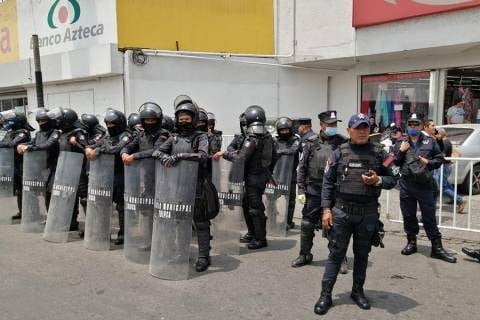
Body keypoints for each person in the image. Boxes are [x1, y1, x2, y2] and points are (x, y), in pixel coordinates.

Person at [314, 113, 398, 315]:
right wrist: (326, 209)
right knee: (336, 255)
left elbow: (395, 178)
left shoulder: (380, 153)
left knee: (362, 256)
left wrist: (378, 180)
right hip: (341, 213)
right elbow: (327, 183)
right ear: (349, 130)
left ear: (370, 130)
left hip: (367, 214)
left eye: (365, 128)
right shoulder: (338, 153)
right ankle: (325, 295)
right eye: (358, 128)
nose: (362, 131)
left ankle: (357, 291)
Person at [153, 100, 212, 272]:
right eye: (181, 118)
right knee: (179, 221)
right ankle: (181, 252)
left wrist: (179, 156)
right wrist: (164, 158)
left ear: (193, 119)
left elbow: (203, 156)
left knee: (200, 222)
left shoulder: (201, 137)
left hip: (197, 186)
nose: (183, 121)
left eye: (187, 118)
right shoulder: (174, 137)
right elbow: (157, 151)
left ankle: (203, 256)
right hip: (177, 187)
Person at [393, 113, 456, 263]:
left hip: (425, 185)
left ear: (421, 125)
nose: (413, 127)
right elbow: (395, 162)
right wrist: (401, 151)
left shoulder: (429, 141)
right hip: (407, 185)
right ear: (407, 125)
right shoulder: (401, 141)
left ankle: (437, 248)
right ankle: (411, 242)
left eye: (416, 124)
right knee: (408, 215)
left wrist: (427, 161)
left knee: (429, 217)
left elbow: (439, 159)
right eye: (411, 124)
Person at [214, 105, 277, 249]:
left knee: (255, 208)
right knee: (248, 205)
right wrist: (267, 171)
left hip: (254, 178)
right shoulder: (267, 136)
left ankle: (260, 239)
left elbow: (241, 158)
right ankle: (252, 233)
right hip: (258, 176)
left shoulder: (253, 138)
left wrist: (224, 154)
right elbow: (275, 157)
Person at [293, 111, 348, 271]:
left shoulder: (342, 143)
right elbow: (302, 168)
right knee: (307, 224)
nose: (332, 127)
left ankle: (339, 258)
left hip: (335, 191)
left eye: (334, 124)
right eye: (329, 124)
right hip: (314, 190)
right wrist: (301, 190)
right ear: (321, 125)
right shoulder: (310, 142)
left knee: (337, 226)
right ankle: (304, 254)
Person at [86, 109, 132, 245]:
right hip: (106, 174)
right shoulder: (107, 136)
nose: (110, 126)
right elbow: (94, 144)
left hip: (121, 174)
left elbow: (116, 149)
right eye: (108, 124)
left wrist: (98, 150)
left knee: (121, 205)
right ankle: (102, 232)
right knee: (103, 203)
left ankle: (123, 235)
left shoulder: (126, 135)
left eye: (113, 124)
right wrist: (89, 148)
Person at [49, 107, 88, 232]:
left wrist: (75, 142)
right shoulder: (62, 133)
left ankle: (91, 226)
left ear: (67, 121)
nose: (57, 122)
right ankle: (71, 223)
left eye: (59, 120)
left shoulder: (78, 132)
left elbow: (86, 148)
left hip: (79, 170)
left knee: (84, 198)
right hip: (66, 169)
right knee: (67, 196)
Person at [17, 108, 60, 211]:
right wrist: (22, 145)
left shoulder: (55, 132)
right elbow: (33, 142)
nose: (41, 123)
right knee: (45, 193)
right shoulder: (39, 134)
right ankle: (48, 216)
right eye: (39, 121)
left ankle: (53, 217)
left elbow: (47, 145)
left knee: (52, 193)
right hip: (42, 167)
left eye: (43, 121)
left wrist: (30, 148)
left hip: (54, 166)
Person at [0, 110, 33, 220]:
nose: (8, 121)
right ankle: (22, 212)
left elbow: (12, 144)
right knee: (18, 190)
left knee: (27, 189)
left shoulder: (23, 132)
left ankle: (32, 213)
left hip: (24, 164)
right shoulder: (10, 132)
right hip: (13, 164)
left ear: (17, 121)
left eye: (11, 119)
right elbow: (4, 142)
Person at [273, 117, 300, 230]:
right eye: (282, 130)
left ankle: (288, 222)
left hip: (290, 174)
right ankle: (272, 219)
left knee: (290, 200)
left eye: (286, 130)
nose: (284, 132)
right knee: (272, 198)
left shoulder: (295, 140)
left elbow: (293, 150)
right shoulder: (274, 140)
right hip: (276, 174)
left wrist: (280, 152)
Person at [434, 127, 465, 213]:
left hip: (443, 167)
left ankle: (460, 200)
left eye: (437, 133)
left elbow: (441, 156)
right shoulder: (445, 141)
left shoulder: (445, 142)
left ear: (441, 134)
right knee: (446, 184)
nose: (435, 135)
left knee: (442, 186)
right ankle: (454, 198)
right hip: (444, 166)